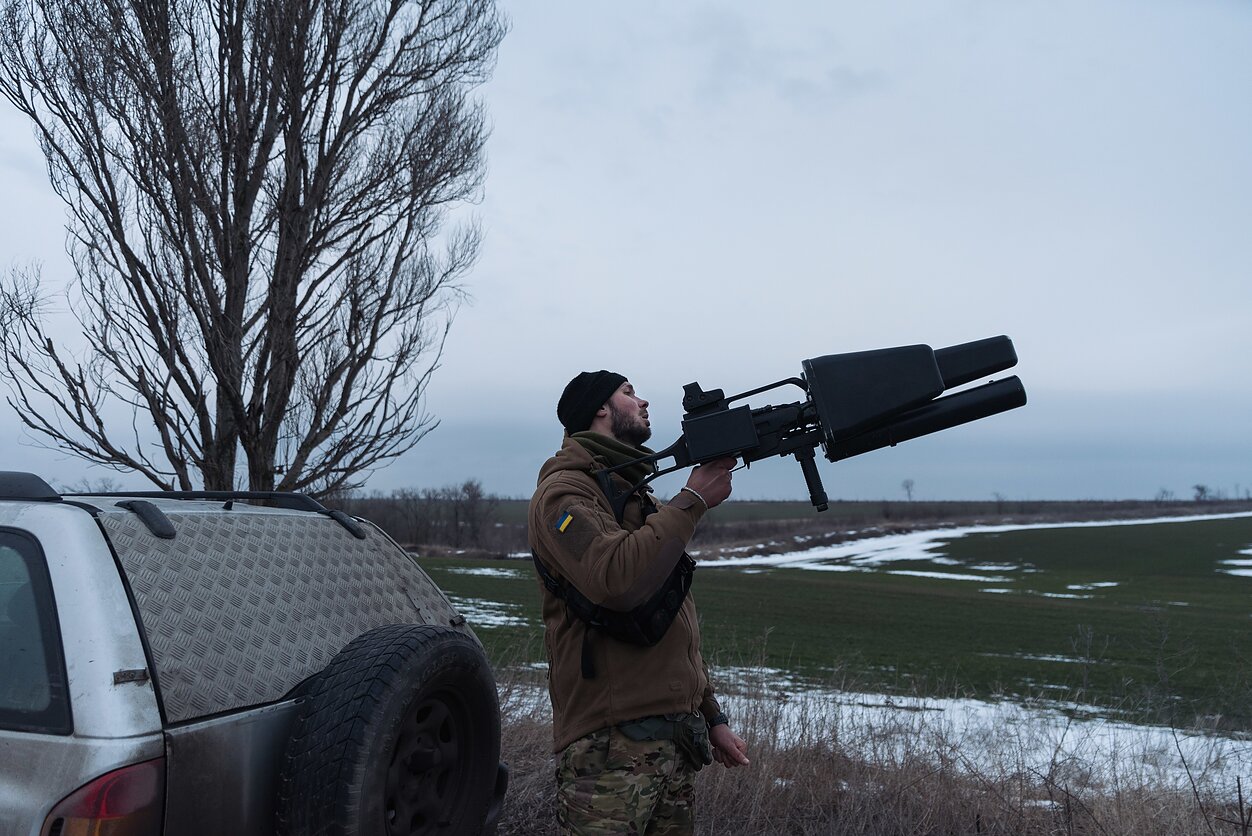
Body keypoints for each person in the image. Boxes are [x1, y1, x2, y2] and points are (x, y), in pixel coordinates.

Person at [529, 369, 750, 835]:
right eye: (629, 393)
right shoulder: (564, 492)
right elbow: (615, 580)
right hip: (611, 746)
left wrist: (712, 716)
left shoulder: (635, 496)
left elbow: (671, 619)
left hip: (674, 741)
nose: (644, 402)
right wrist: (692, 500)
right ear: (600, 409)